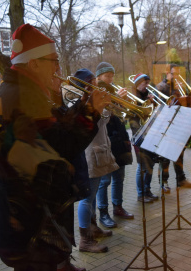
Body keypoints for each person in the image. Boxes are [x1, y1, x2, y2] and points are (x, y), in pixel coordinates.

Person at [0, 24, 108, 271]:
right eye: (53, 60)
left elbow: (55, 132)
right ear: (33, 63)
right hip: (31, 225)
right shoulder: (24, 95)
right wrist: (91, 112)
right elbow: (61, 146)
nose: (57, 68)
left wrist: (79, 104)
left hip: (32, 220)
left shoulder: (23, 90)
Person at [72, 68, 114, 254]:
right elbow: (96, 123)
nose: (97, 87)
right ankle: (85, 240)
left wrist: (106, 105)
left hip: (98, 152)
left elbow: (104, 120)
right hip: (91, 155)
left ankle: (93, 227)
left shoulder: (90, 100)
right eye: (94, 84)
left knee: (93, 194)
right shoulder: (81, 102)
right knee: (86, 199)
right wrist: (101, 105)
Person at [94, 62, 134, 229]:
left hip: (119, 139)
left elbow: (121, 115)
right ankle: (103, 213)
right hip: (104, 139)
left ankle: (118, 207)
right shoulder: (94, 92)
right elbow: (101, 116)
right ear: (99, 77)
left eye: (111, 76)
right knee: (105, 180)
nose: (110, 79)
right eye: (107, 76)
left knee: (119, 176)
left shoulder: (112, 91)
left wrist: (122, 101)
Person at [155, 64, 191, 191]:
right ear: (167, 72)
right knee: (165, 155)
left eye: (178, 74)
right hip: (167, 124)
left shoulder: (179, 86)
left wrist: (184, 95)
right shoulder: (161, 87)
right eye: (174, 74)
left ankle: (181, 179)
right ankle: (164, 182)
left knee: (179, 153)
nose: (177, 76)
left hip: (179, 122)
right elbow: (160, 105)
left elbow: (187, 104)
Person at [129, 73, 160, 203]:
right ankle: (141, 194)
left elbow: (154, 114)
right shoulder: (132, 97)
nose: (147, 86)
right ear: (137, 83)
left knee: (150, 165)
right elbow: (132, 119)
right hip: (139, 135)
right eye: (144, 83)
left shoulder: (147, 96)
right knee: (142, 166)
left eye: (148, 83)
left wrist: (153, 103)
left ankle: (147, 190)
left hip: (150, 133)